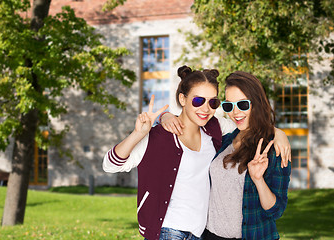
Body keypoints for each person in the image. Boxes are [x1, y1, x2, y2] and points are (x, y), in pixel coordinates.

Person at [162, 71, 291, 239]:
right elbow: (190, 118)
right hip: (210, 235)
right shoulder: (225, 138)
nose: (236, 112)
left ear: (257, 103)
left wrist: (258, 180)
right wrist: (165, 116)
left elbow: (276, 211)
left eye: (243, 105)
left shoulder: (274, 148)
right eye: (229, 106)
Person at [103, 66, 224, 240]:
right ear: (182, 99)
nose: (206, 109)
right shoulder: (158, 137)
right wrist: (138, 134)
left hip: (198, 233)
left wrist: (277, 134)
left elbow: (246, 126)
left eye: (213, 102)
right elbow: (109, 165)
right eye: (198, 101)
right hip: (168, 231)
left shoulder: (213, 130)